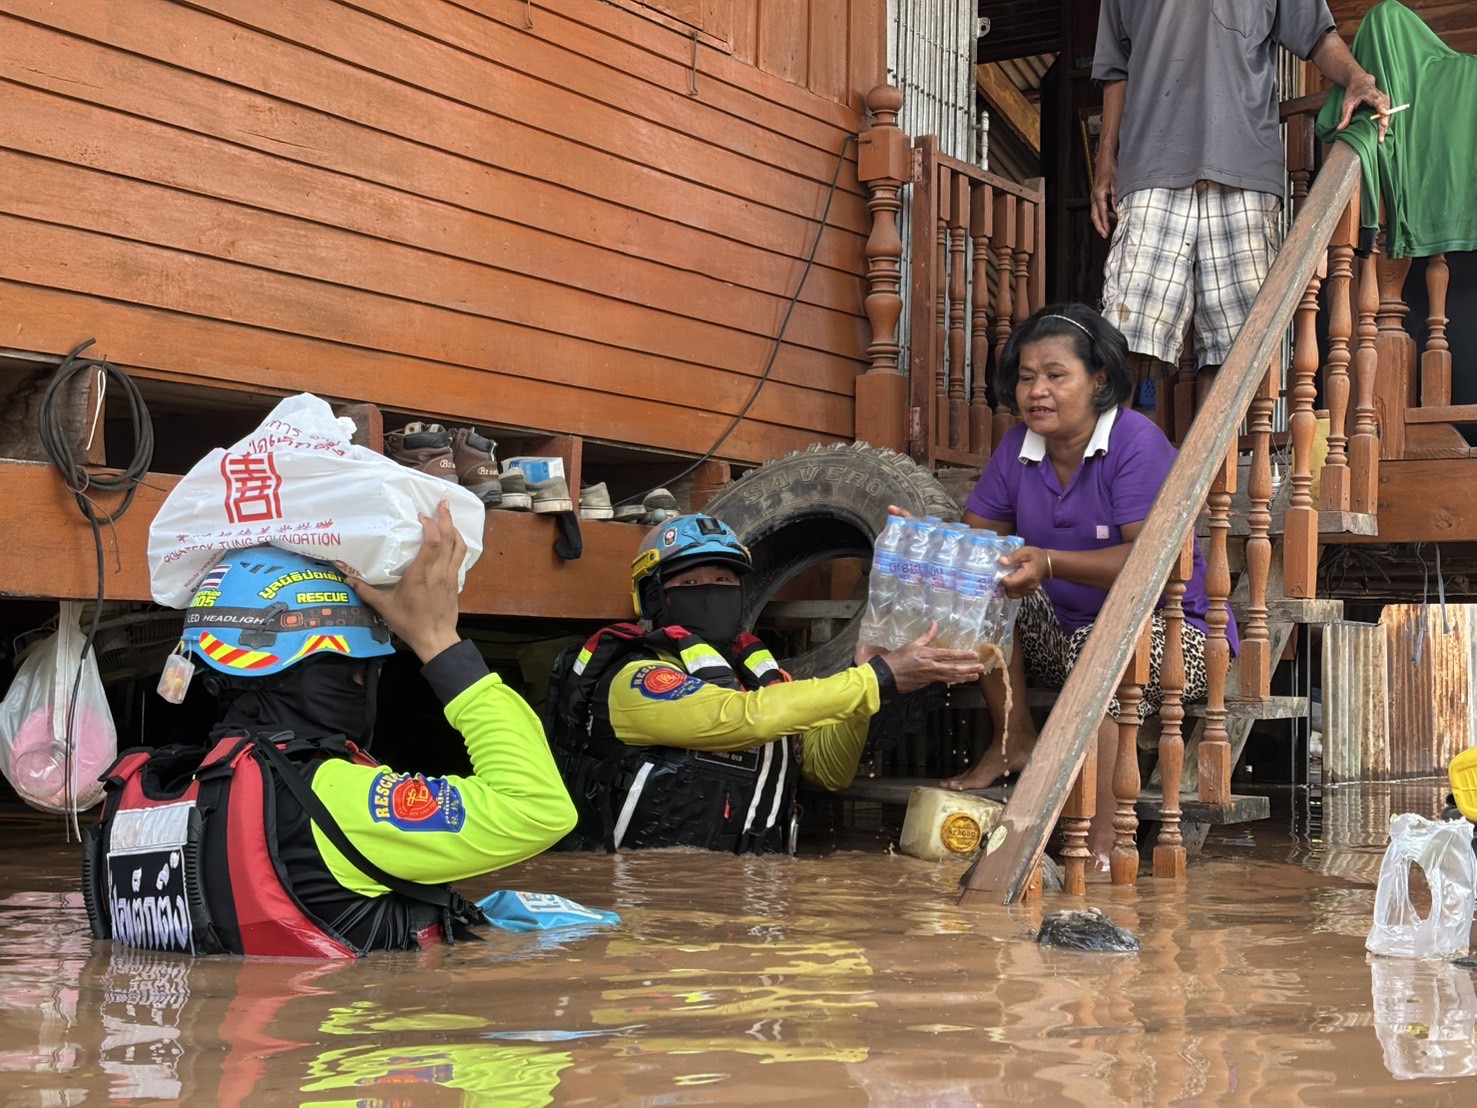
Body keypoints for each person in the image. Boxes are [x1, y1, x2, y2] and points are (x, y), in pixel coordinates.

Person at [83, 502, 576, 957]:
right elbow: (540, 809)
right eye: (361, 673)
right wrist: (438, 642)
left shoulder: (137, 801)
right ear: (331, 674)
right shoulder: (332, 797)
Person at [938, 304, 1237, 865]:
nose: (1037, 391)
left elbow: (1154, 562)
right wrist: (920, 539)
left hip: (1173, 636)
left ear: (1099, 381)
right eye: (1027, 377)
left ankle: (1102, 841)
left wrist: (1050, 563)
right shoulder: (1018, 447)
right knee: (978, 589)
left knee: (1098, 648)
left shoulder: (1135, 442)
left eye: (1056, 375)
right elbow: (977, 542)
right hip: (1063, 635)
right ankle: (1012, 740)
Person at [547, 513, 984, 853]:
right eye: (690, 582)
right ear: (652, 598)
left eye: (723, 580)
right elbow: (740, 718)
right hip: (649, 900)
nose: (710, 591)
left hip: (747, 896)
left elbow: (828, 773)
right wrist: (878, 679)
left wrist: (863, 667)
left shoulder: (761, 678)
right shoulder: (636, 678)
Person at [1091, 0, 1389, 381]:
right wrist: (1105, 157)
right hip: (1151, 166)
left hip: (1244, 169)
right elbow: (1115, 69)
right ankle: (1123, 427)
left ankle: (1215, 427)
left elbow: (1319, 37)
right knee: (1124, 340)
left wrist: (1357, 78)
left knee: (1236, 352)